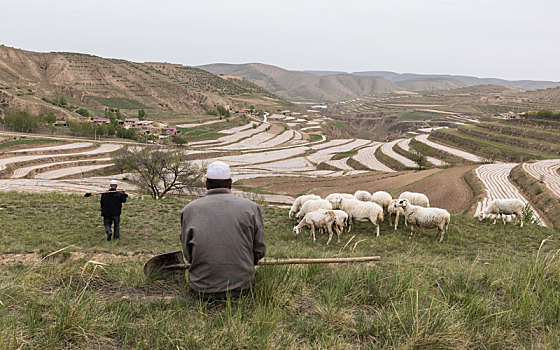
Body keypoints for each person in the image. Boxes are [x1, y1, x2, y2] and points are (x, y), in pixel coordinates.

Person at [180, 161, 266, 299]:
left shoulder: (189, 210)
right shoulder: (251, 208)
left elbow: (188, 254)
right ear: (230, 183)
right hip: (242, 287)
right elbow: (259, 250)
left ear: (207, 184)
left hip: (201, 289)